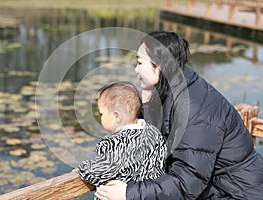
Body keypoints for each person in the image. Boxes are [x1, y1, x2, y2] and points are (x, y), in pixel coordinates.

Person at [95, 31, 263, 200]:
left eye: (139, 62)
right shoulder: (170, 87)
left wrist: (128, 193)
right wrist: (100, 166)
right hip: (216, 189)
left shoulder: (196, 110)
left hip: (238, 193)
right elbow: (144, 129)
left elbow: (187, 182)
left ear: (159, 65)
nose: (135, 69)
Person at [78, 82, 167, 187]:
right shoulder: (154, 133)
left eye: (101, 113)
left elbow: (97, 173)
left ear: (117, 116)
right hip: (148, 194)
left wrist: (83, 168)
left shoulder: (114, 143)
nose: (100, 117)